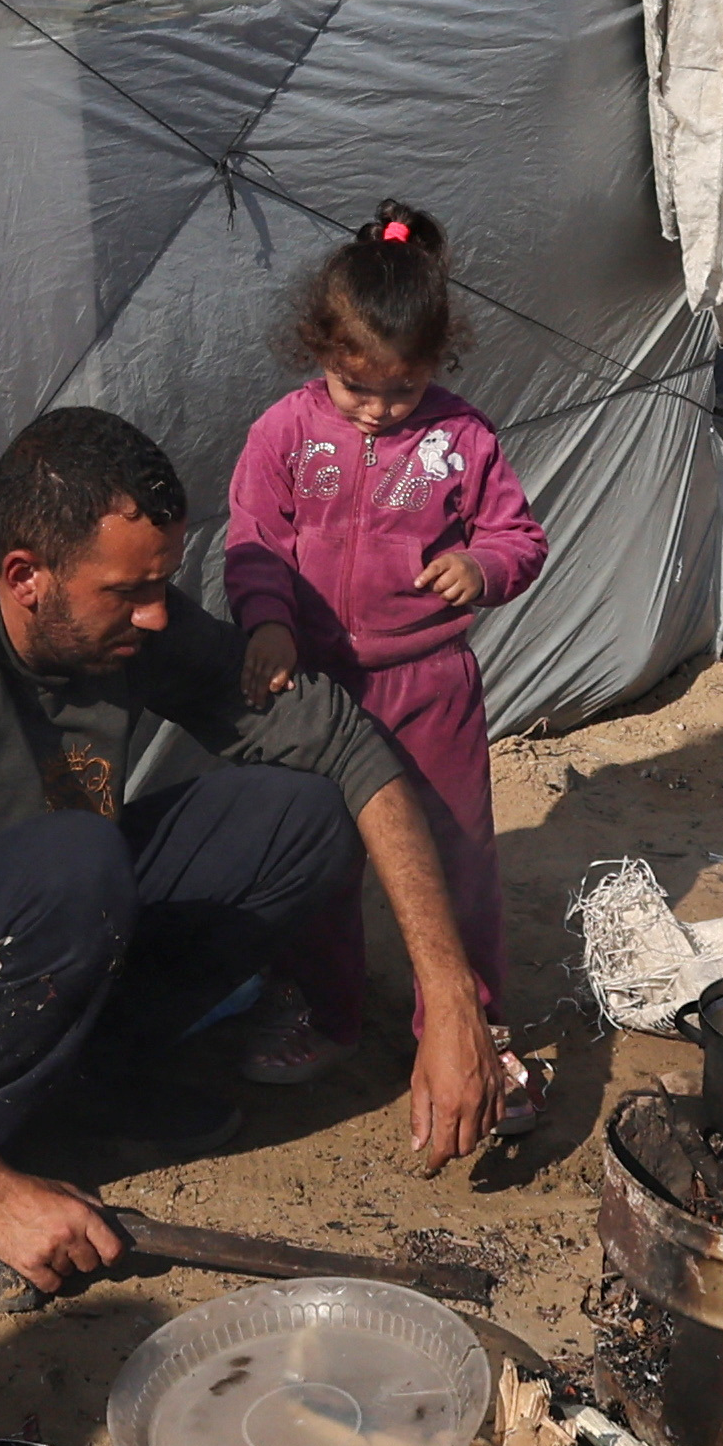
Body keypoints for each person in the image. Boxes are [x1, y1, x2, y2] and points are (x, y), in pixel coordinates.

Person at [0, 406, 492, 1317]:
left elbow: (344, 746)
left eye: (162, 582)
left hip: (15, 930)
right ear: (25, 577)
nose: (156, 612)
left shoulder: (123, 626)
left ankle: (82, 1084)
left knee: (301, 816)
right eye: (128, 591)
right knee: (75, 859)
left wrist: (450, 1003)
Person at [222, 203, 547, 1095]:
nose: (375, 410)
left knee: (456, 858)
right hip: (318, 689)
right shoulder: (284, 433)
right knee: (320, 860)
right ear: (317, 350)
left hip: (428, 686)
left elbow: (518, 537)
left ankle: (470, 1024)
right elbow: (253, 542)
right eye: (354, 387)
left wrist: (480, 567)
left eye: (400, 391)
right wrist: (268, 624)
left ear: (436, 361)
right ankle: (324, 1012)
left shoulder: (462, 440)